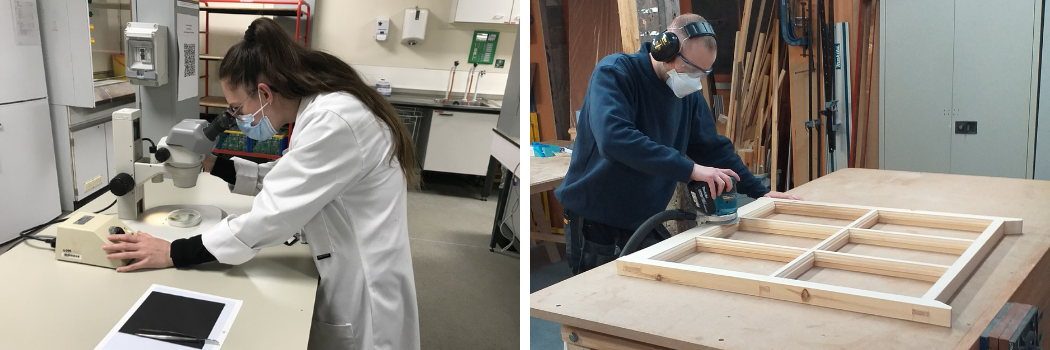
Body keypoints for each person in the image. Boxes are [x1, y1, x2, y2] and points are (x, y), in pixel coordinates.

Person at [101, 18, 421, 350]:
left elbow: (271, 217)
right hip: (348, 253)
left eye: (237, 108)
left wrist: (173, 251)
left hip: (362, 278)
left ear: (265, 92)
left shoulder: (334, 121)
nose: (236, 118)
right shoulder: (325, 107)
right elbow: (293, 178)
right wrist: (213, 164)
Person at [555, 13, 803, 275]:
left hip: (643, 215)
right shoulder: (615, 73)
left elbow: (712, 148)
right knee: (597, 299)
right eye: (692, 69)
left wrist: (759, 191)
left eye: (703, 73)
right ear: (666, 50)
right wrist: (691, 169)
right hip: (596, 215)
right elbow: (614, 139)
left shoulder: (685, 94)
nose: (696, 79)